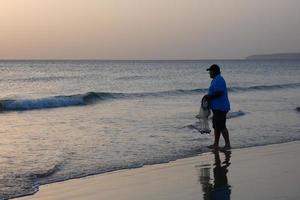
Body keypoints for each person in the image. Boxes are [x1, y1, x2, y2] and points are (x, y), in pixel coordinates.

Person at [204, 64, 231, 150]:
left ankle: (227, 145)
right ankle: (216, 144)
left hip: (221, 107)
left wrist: (209, 97)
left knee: (222, 126)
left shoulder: (219, 79)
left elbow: (219, 93)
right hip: (217, 108)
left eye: (210, 71)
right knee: (216, 126)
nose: (209, 73)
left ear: (214, 71)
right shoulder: (216, 79)